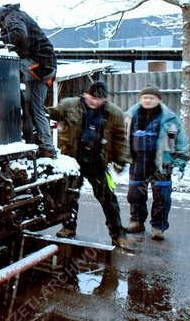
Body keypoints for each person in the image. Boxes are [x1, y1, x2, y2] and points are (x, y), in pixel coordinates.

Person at [48, 81, 131, 249]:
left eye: (99, 99)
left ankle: (118, 234)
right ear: (85, 94)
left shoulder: (114, 113)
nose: (95, 102)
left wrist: (121, 159)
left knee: (108, 198)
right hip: (73, 160)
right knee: (69, 196)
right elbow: (52, 114)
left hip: (98, 162)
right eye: (92, 97)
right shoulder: (69, 105)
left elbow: (120, 138)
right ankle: (68, 226)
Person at [0, 2, 58, 157]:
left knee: (6, 66)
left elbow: (19, 34)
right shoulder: (13, 14)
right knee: (33, 108)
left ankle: (47, 147)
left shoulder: (12, 17)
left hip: (39, 65)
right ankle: (40, 144)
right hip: (45, 65)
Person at [124, 86, 189, 241]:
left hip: (162, 164)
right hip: (138, 162)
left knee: (162, 197)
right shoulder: (129, 116)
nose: (148, 100)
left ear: (159, 100)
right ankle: (137, 222)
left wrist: (180, 163)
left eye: (151, 98)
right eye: (145, 97)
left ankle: (158, 227)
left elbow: (181, 142)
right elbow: (120, 138)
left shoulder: (170, 119)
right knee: (135, 195)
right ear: (140, 99)